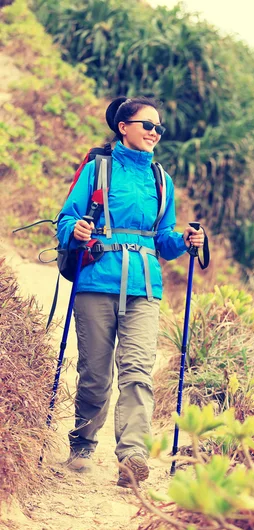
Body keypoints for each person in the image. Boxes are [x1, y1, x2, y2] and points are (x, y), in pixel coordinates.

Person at [57, 97, 204, 487]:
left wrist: (185, 240)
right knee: (94, 374)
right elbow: (66, 218)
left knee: (137, 371)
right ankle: (83, 443)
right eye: (147, 125)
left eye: (159, 128)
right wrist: (75, 230)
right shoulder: (97, 169)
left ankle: (133, 456)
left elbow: (163, 240)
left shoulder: (161, 179)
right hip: (96, 281)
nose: (155, 133)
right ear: (124, 126)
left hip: (144, 286)